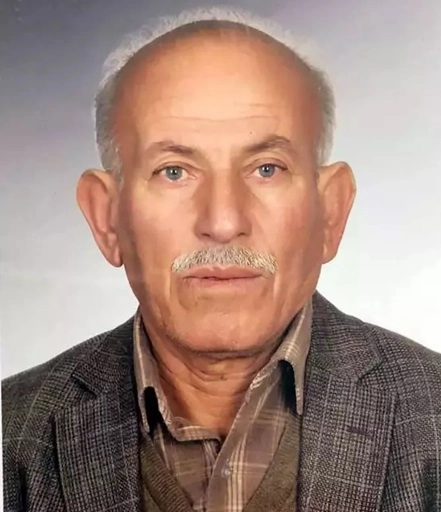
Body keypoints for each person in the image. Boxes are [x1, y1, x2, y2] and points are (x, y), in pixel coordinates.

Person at [2, 7, 441, 512]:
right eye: (174, 171)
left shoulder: (432, 415)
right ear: (107, 219)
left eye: (267, 169)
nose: (224, 220)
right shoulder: (12, 431)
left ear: (331, 212)